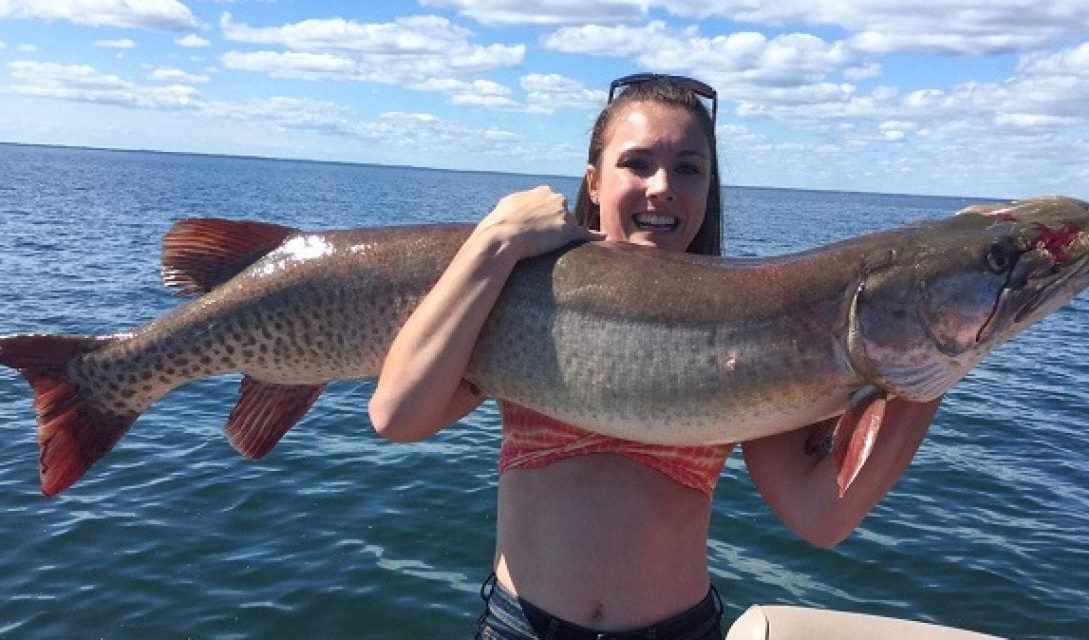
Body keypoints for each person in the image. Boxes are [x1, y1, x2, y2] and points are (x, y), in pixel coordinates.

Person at [368, 74, 942, 640]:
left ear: (708, 187)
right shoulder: (524, 291)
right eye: (637, 163)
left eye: (688, 168)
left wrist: (931, 367)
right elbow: (399, 415)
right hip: (522, 629)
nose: (662, 185)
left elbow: (821, 515)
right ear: (594, 182)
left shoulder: (750, 321)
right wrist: (494, 242)